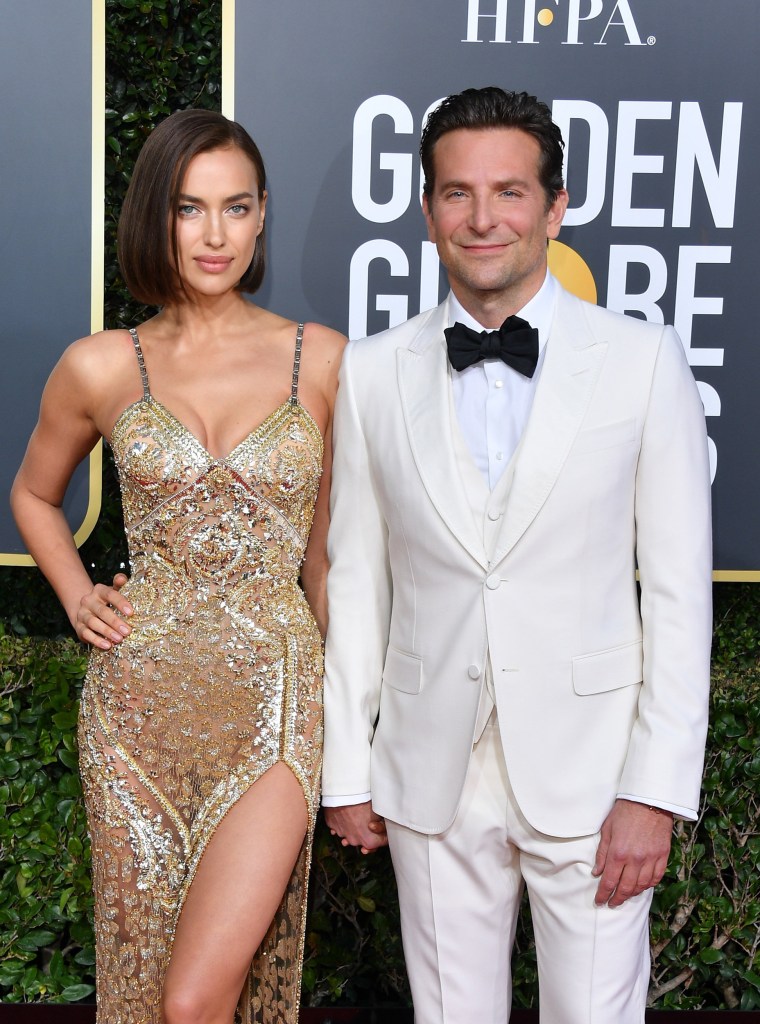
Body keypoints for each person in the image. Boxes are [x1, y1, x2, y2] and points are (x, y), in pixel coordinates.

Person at [321, 87, 712, 1023]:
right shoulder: (372, 372)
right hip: (429, 775)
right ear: (427, 211)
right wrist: (348, 766)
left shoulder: (642, 360)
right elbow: (357, 581)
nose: (483, 217)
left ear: (555, 207)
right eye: (457, 193)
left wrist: (653, 793)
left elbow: (676, 597)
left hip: (594, 776)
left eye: (509, 192)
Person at [11, 109, 345, 1024]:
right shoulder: (100, 366)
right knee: (144, 988)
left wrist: (351, 716)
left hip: (275, 709)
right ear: (157, 217)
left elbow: (327, 557)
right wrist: (78, 596)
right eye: (190, 209)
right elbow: (34, 495)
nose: (213, 234)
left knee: (196, 1000)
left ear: (263, 215)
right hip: (135, 715)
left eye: (235, 208)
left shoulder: (321, 360)